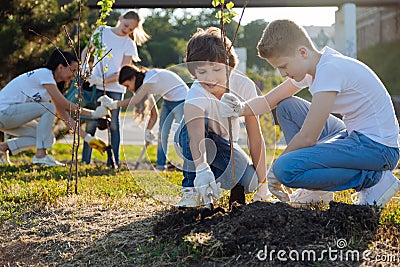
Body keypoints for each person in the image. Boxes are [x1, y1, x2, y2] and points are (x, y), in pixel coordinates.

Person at [219, 19, 400, 207]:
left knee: (285, 169)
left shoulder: (329, 70)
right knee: (286, 107)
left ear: (302, 52)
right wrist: (240, 108)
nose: (282, 74)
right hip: (354, 135)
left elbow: (308, 137)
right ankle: (317, 191)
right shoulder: (316, 66)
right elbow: (268, 101)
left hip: (378, 148)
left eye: (283, 66)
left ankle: (373, 180)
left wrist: (275, 171)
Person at [173, 27, 272, 208]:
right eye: (202, 72)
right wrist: (201, 168)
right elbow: (195, 137)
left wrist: (263, 184)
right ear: (194, 73)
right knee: (193, 127)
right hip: (192, 141)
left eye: (217, 69)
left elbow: (255, 138)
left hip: (223, 144)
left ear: (229, 66)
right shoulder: (196, 94)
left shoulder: (244, 87)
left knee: (251, 181)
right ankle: (191, 189)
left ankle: (219, 177)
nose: (210, 78)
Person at [0, 49, 109, 166]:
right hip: (4, 113)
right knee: (48, 108)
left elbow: (65, 117)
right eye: (73, 70)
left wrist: (88, 138)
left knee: (48, 138)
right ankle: (41, 156)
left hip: (9, 118)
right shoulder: (45, 74)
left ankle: (3, 147)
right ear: (61, 67)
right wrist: (94, 114)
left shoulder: (50, 86)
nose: (74, 75)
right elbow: (65, 105)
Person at [81, 10, 150, 167]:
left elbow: (123, 72)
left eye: (131, 29)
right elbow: (88, 50)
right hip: (94, 85)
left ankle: (113, 161)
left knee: (113, 124)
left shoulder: (129, 44)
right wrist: (84, 66)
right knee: (92, 122)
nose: (127, 30)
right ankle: (85, 160)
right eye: (126, 25)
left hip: (115, 89)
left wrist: (103, 79)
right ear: (120, 19)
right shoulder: (102, 31)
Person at [99, 64, 188, 171]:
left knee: (183, 135)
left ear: (132, 78)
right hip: (168, 101)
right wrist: (148, 131)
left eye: (127, 86)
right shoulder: (146, 87)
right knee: (162, 135)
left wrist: (114, 104)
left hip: (182, 99)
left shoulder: (149, 77)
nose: (129, 89)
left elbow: (135, 100)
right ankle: (160, 167)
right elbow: (154, 115)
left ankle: (190, 166)